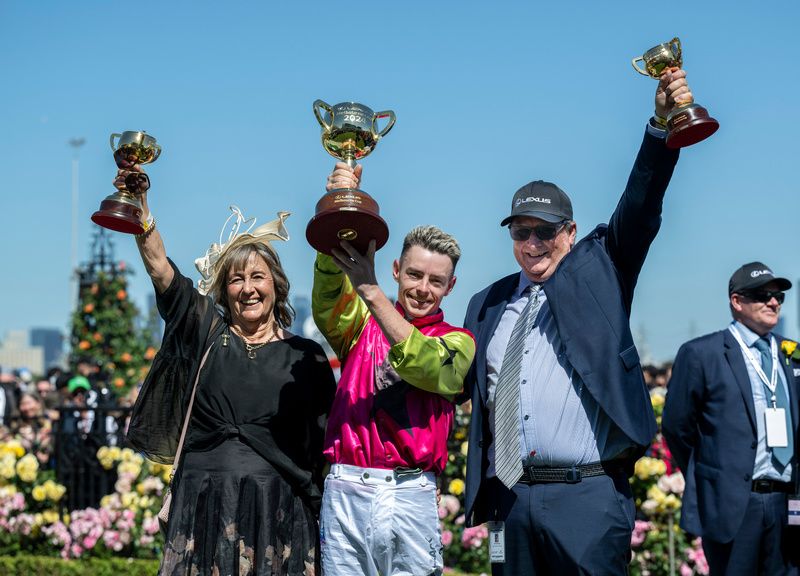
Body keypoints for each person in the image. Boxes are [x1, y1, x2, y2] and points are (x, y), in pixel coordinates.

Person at [461, 68, 692, 574]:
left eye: (545, 231)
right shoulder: (487, 303)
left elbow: (641, 203)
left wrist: (660, 129)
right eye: (521, 232)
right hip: (511, 499)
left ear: (569, 232)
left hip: (586, 495)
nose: (532, 243)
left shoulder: (601, 271)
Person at [122, 157, 336, 575]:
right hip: (202, 505)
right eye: (236, 279)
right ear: (223, 289)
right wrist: (140, 209)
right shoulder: (205, 330)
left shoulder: (308, 358)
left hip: (279, 511)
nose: (248, 288)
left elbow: (324, 450)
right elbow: (161, 269)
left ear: (276, 284)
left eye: (258, 277)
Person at [311, 172, 476, 576]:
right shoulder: (357, 327)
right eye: (415, 275)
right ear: (397, 269)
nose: (422, 288)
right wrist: (339, 207)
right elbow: (330, 295)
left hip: (411, 493)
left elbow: (425, 364)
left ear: (450, 286)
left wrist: (371, 293)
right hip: (347, 486)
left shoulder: (460, 342)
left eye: (436, 281)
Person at [662, 262, 799, 575]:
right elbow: (676, 427)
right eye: (762, 295)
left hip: (785, 504)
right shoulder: (702, 353)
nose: (773, 302)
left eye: (778, 295)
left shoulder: (791, 353)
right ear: (737, 301)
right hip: (734, 504)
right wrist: (712, 476)